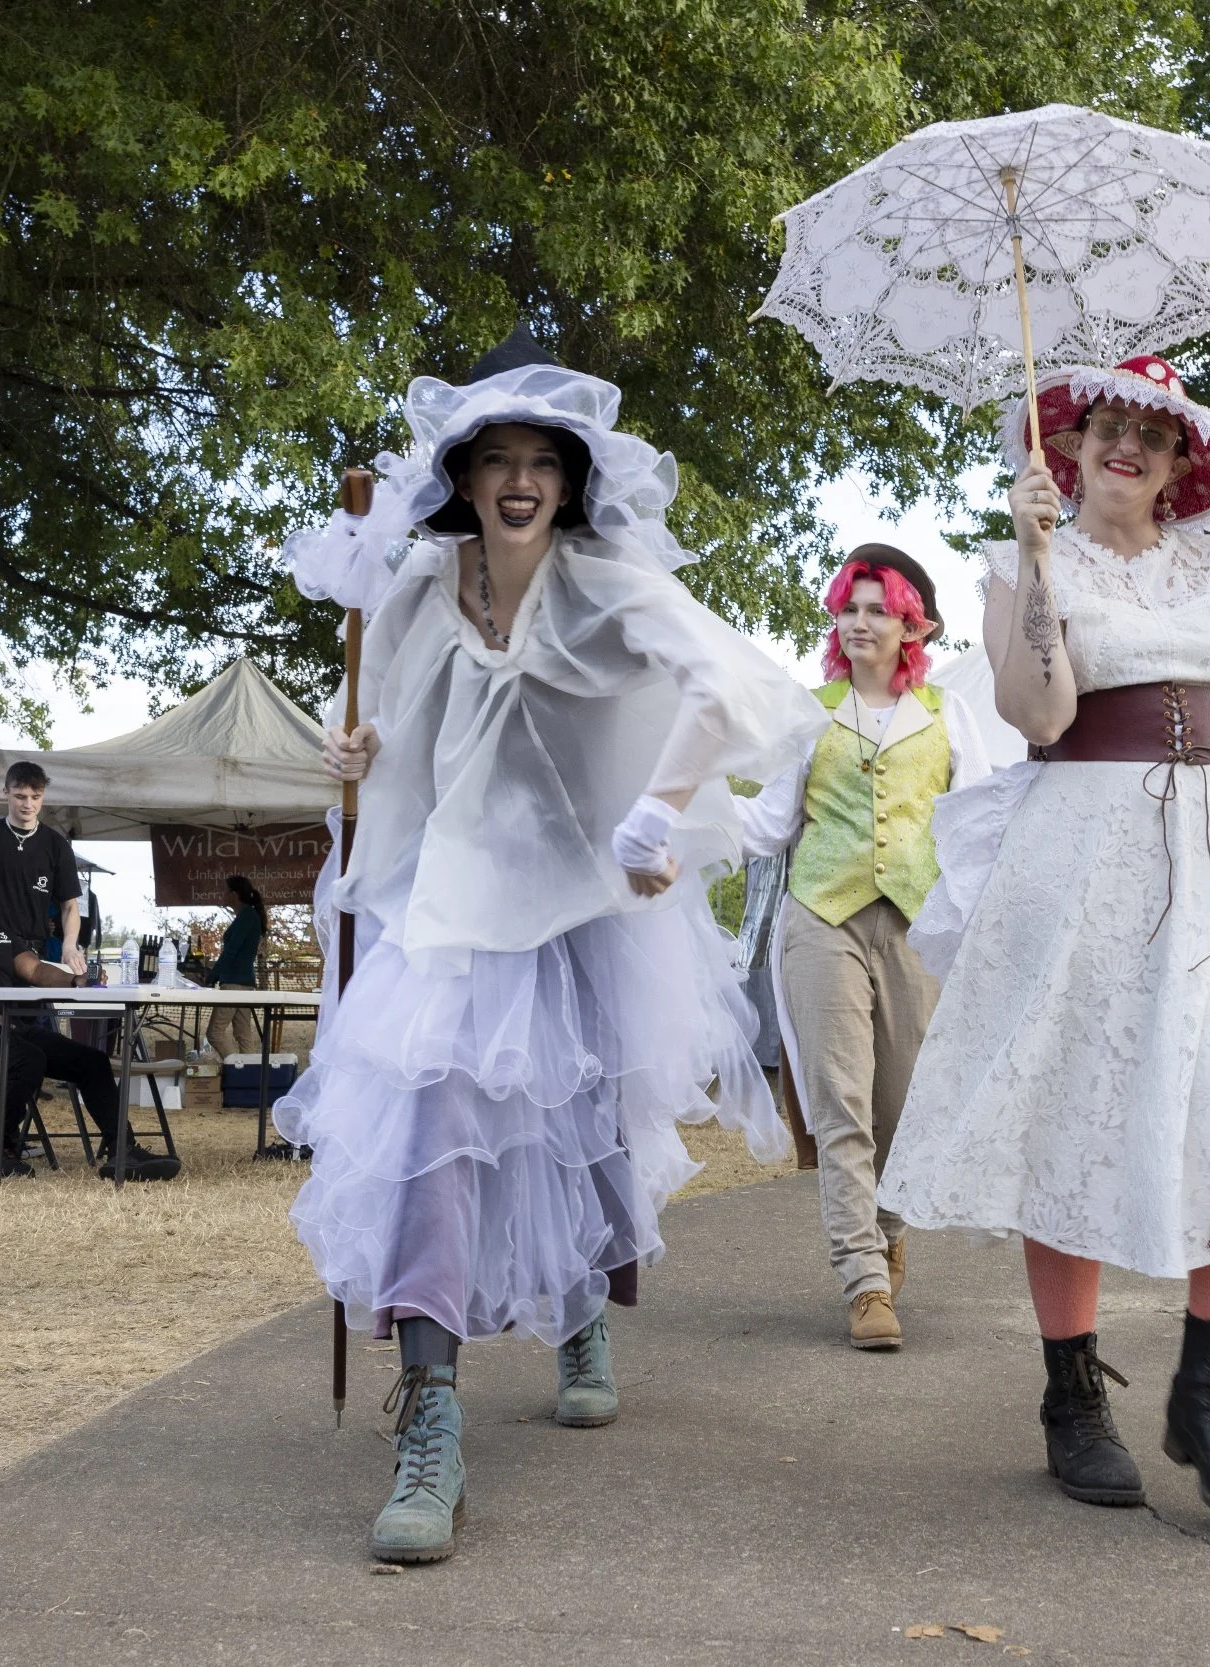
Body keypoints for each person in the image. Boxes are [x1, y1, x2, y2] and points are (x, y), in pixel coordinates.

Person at [281, 329, 821, 1564]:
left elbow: (733, 692)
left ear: (572, 483)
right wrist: (349, 755)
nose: (520, 478)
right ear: (463, 478)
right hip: (440, 901)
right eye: (496, 458)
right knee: (429, 1130)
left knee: (583, 1120)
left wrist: (657, 809)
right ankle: (429, 1416)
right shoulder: (417, 584)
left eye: (543, 460)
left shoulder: (607, 581)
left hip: (581, 892)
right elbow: (375, 723)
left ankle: (580, 1309)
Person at [880, 355, 1210, 1526]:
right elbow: (1037, 714)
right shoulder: (1014, 563)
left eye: (1151, 430)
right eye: (1103, 425)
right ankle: (1071, 1396)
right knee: (1073, 1107)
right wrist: (1038, 560)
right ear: (1068, 444)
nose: (1124, 445)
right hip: (1083, 844)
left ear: (1183, 461)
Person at [735, 544, 992, 1351]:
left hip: (918, 921)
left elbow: (979, 824)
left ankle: (888, 1225)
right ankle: (864, 1280)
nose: (859, 621)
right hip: (821, 916)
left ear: (913, 623)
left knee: (904, 1107)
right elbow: (769, 825)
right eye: (850, 606)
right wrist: (683, 813)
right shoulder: (812, 716)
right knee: (841, 1100)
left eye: (878, 608)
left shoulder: (950, 715)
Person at [0, 855, 178, 1182]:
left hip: (5, 1027)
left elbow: (35, 969)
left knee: (92, 1060)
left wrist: (75, 980)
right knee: (26, 1060)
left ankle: (123, 1151)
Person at [0, 761, 85, 974]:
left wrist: (69, 945)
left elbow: (70, 906)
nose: (28, 804)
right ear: (6, 793)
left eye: (35, 797)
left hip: (34, 954)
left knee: (35, 1007)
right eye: (20, 796)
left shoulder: (57, 845)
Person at [205, 874, 268, 1058]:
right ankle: (250, 1077)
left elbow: (231, 951)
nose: (222, 895)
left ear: (234, 894)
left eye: (225, 891)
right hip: (245, 983)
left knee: (214, 1033)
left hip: (234, 984)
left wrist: (211, 976)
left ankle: (236, 1068)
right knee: (243, 1034)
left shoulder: (247, 917)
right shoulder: (249, 916)